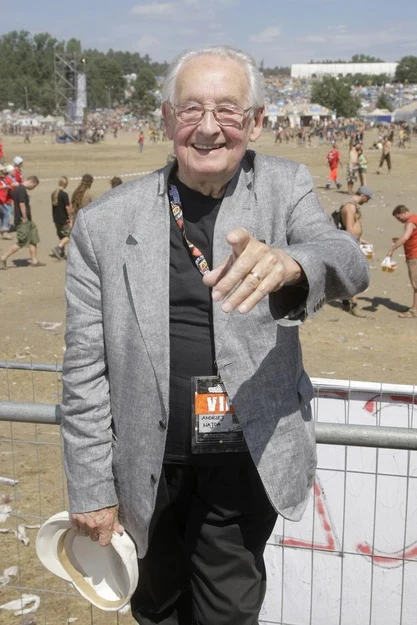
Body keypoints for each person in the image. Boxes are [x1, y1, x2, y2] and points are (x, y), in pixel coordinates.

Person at [61, 45, 369, 625]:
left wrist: (293, 264)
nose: (208, 127)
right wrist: (91, 486)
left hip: (245, 456)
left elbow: (346, 258)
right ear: (166, 119)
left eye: (227, 110)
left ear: (255, 121)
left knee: (229, 610)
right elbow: (83, 368)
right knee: (156, 608)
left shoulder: (284, 185)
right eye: (191, 109)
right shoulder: (104, 223)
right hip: (145, 465)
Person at [338, 185, 373, 316]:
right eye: (367, 199)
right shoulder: (350, 207)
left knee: (347, 274)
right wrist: (355, 245)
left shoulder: (352, 205)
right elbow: (349, 228)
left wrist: (360, 239)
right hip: (350, 244)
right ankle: (354, 305)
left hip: (353, 242)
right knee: (354, 275)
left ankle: (345, 302)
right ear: (364, 196)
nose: (367, 202)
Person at [0, 175, 44, 269]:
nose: (33, 188)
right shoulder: (21, 189)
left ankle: (34, 261)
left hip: (28, 220)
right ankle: (3, 258)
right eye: (34, 186)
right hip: (23, 220)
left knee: (33, 238)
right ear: (31, 182)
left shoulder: (18, 188)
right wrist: (24, 217)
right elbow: (21, 203)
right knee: (22, 241)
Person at [386, 205, 417, 318]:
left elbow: (405, 237)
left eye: (399, 218)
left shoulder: (410, 222)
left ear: (403, 213)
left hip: (414, 255)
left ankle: (414, 310)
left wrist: (391, 250)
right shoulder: (415, 218)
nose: (399, 221)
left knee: (415, 284)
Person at [51, 176, 72, 260]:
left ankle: (62, 253)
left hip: (56, 218)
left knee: (61, 236)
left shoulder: (54, 193)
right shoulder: (64, 194)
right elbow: (67, 207)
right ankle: (58, 247)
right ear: (65, 184)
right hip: (63, 218)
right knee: (70, 235)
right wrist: (70, 217)